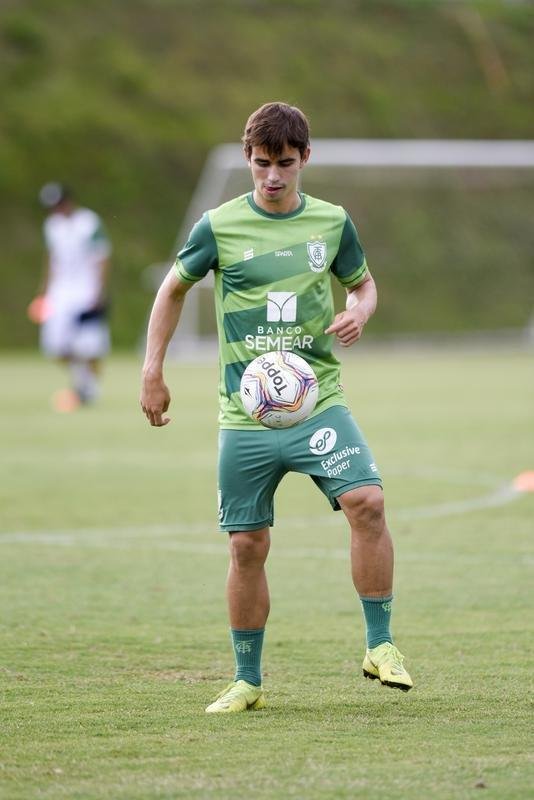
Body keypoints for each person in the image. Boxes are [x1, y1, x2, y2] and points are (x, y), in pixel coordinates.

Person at [140, 102, 413, 713]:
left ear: (304, 159)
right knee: (246, 545)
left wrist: (359, 311)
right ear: (248, 159)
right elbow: (173, 288)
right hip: (246, 416)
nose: (272, 177)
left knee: (367, 501)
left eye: (284, 164)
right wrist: (152, 370)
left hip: (318, 402)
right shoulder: (218, 226)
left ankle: (380, 644)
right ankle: (247, 681)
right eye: (262, 164)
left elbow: (362, 283)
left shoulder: (332, 222)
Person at [31, 183, 112, 411]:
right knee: (55, 346)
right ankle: (82, 381)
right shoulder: (52, 226)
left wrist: (99, 291)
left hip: (85, 291)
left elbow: (102, 257)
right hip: (60, 293)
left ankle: (90, 388)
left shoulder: (89, 222)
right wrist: (44, 290)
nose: (56, 210)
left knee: (91, 346)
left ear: (68, 201)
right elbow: (52, 260)